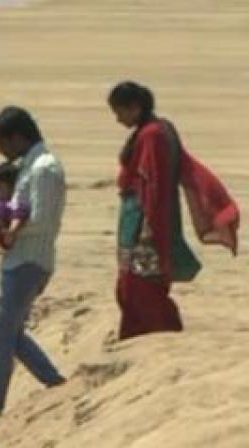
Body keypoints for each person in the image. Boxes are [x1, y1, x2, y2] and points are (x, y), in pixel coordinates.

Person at [0, 107, 67, 429]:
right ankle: (53, 382)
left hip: (29, 259)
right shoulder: (30, 166)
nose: (1, 152)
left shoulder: (44, 169)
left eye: (2, 144)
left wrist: (5, 229)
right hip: (21, 258)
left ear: (17, 137)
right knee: (11, 333)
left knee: (1, 332)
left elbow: (43, 219)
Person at [107, 81, 239, 339]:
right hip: (137, 216)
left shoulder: (152, 134)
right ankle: (138, 333)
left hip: (146, 221)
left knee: (142, 285)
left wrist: (149, 226)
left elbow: (154, 183)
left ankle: (160, 332)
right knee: (131, 282)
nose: (118, 119)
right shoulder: (150, 130)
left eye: (120, 111)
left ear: (135, 107)